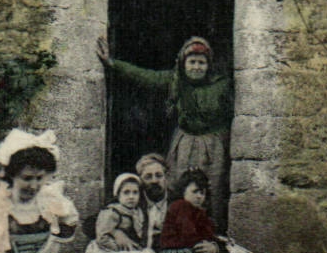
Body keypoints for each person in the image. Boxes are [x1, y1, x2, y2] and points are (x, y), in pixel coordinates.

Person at [96, 36, 234, 229]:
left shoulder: (222, 85)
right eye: (192, 62)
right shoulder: (175, 79)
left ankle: (211, 235)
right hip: (184, 142)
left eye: (201, 63)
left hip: (213, 145)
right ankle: (178, 233)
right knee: (178, 187)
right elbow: (145, 76)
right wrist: (112, 63)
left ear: (208, 65)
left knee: (213, 189)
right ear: (183, 64)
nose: (196, 67)